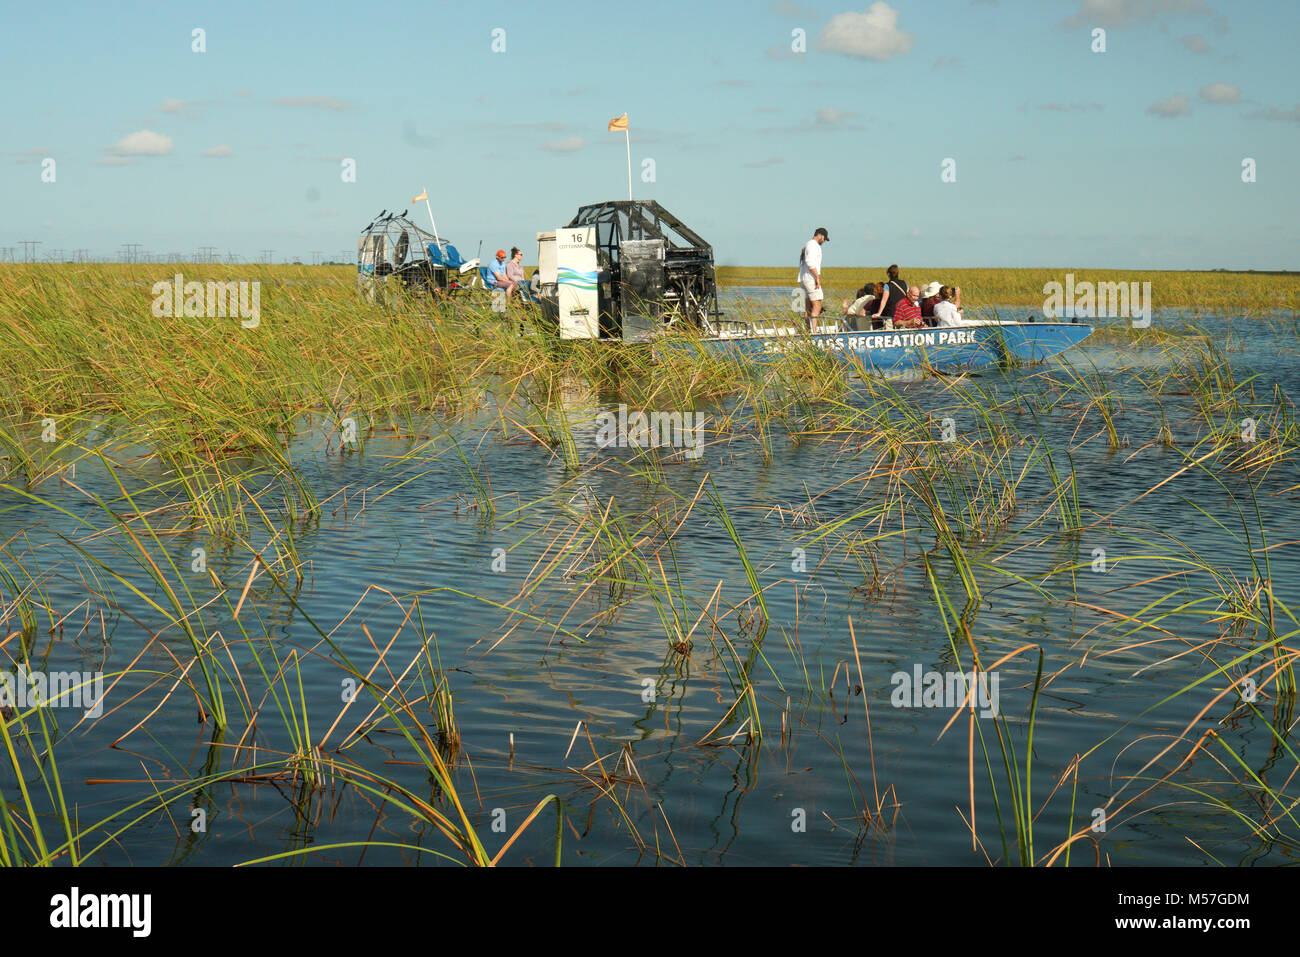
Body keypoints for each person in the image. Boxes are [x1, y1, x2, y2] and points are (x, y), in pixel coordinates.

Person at [798, 227, 829, 330]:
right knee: (817, 305)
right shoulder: (813, 245)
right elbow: (810, 262)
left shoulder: (807, 245)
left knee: (808, 307)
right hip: (810, 279)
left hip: (803, 278)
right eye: (824, 239)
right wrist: (817, 277)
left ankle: (808, 330)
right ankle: (813, 331)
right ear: (820, 235)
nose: (824, 241)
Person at [871, 264, 909, 329]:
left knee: (891, 334)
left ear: (888, 274)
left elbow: (884, 300)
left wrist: (879, 313)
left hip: (891, 315)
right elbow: (908, 297)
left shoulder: (887, 286)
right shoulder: (904, 283)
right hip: (903, 315)